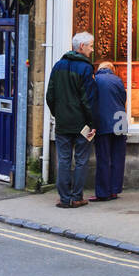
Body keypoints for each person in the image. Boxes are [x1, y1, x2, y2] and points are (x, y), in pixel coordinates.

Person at [46, 32, 97, 208]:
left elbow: (49, 96)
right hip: (82, 124)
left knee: (64, 161)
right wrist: (92, 123)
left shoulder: (58, 66)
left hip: (62, 123)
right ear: (81, 47)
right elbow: (88, 99)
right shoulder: (86, 68)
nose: (92, 49)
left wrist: (57, 114)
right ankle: (76, 197)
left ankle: (64, 198)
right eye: (90, 45)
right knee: (82, 160)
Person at [91, 60, 128, 201]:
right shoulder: (118, 80)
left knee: (103, 158)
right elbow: (123, 99)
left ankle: (102, 193)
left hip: (103, 122)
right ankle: (114, 190)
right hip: (120, 121)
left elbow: (91, 100)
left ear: (100, 69)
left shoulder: (96, 80)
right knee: (118, 158)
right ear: (111, 69)